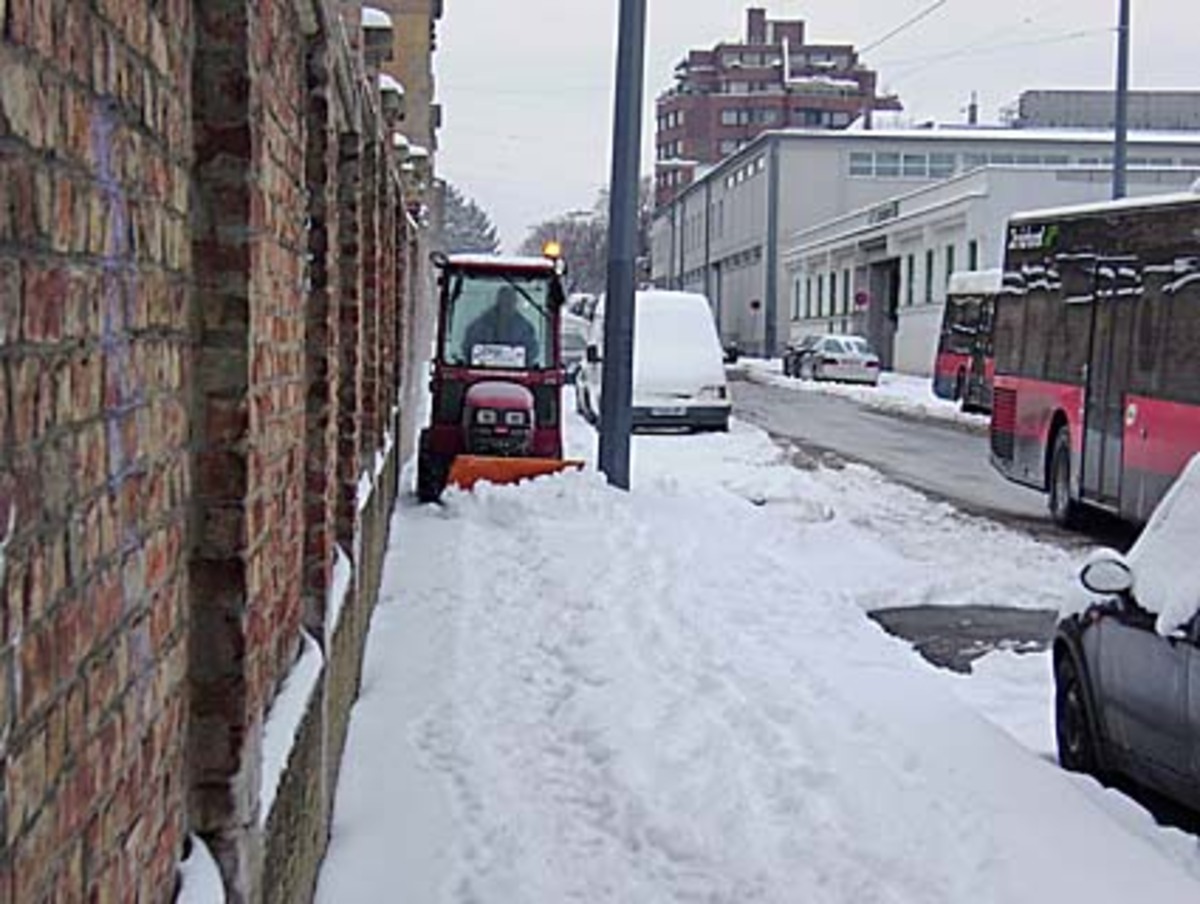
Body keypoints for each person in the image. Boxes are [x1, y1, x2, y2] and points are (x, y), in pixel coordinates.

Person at [462, 285, 540, 367]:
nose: (508, 304)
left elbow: (532, 352)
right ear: (499, 301)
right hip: (483, 370)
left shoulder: (525, 328)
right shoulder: (480, 326)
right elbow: (468, 348)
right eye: (505, 300)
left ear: (515, 303)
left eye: (511, 301)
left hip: (516, 372)